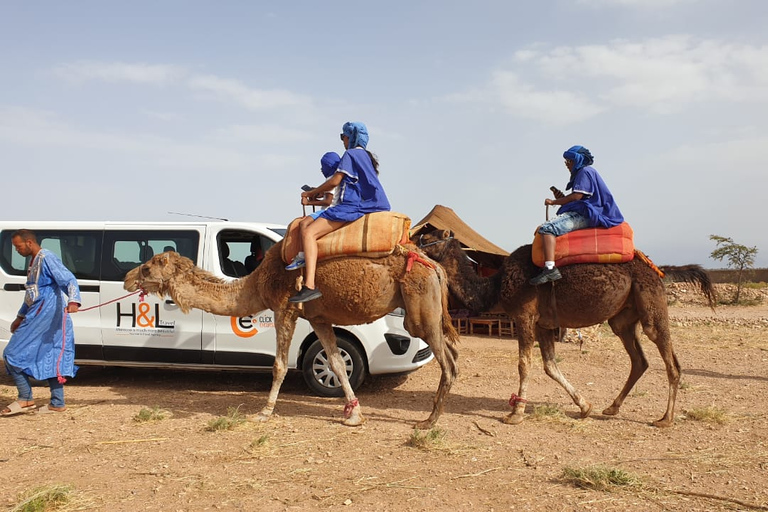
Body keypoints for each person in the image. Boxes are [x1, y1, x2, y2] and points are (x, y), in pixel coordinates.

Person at [288, 122, 391, 303]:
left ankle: (309, 285)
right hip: (373, 203)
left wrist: (310, 193)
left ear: (350, 137)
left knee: (309, 231)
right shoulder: (366, 156)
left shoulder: (350, 154)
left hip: (353, 206)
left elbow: (335, 181)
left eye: (343, 137)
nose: (342, 141)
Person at [2, 229, 81, 416]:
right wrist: (20, 317)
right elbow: (31, 294)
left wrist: (73, 300)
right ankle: (57, 402)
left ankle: (25, 398)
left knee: (11, 353)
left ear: (29, 243)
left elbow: (68, 279)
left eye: (18, 246)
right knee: (49, 355)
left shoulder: (47, 257)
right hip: (37, 313)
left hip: (47, 314)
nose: (17, 250)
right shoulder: (33, 262)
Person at [529, 145, 624, 285]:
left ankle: (550, 269)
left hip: (588, 214)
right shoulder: (587, 172)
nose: (567, 165)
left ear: (577, 160)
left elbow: (577, 196)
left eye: (569, 161)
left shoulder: (584, 172)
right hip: (588, 211)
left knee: (547, 229)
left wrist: (554, 201)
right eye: (566, 162)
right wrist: (562, 200)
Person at [285, 151, 342, 271]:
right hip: (334, 208)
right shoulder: (337, 178)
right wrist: (315, 192)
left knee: (303, 224)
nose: (321, 169)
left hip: (329, 210)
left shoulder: (331, 179)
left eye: (323, 166)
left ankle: (302, 255)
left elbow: (328, 201)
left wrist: (309, 202)